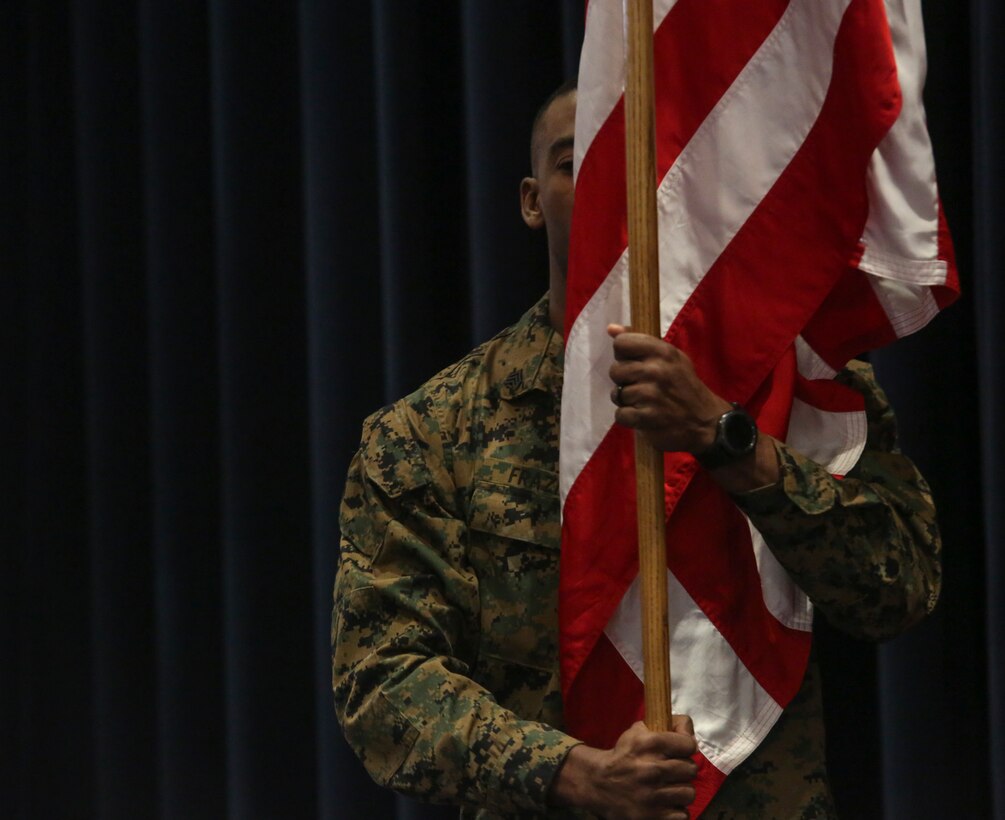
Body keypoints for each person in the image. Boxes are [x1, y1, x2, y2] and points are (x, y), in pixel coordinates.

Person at [332, 81, 940, 819]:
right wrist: (571, 774)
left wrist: (728, 441)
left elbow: (900, 589)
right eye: (573, 162)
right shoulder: (429, 433)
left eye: (643, 161)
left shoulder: (796, 390)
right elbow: (384, 685)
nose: (614, 183)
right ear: (530, 200)